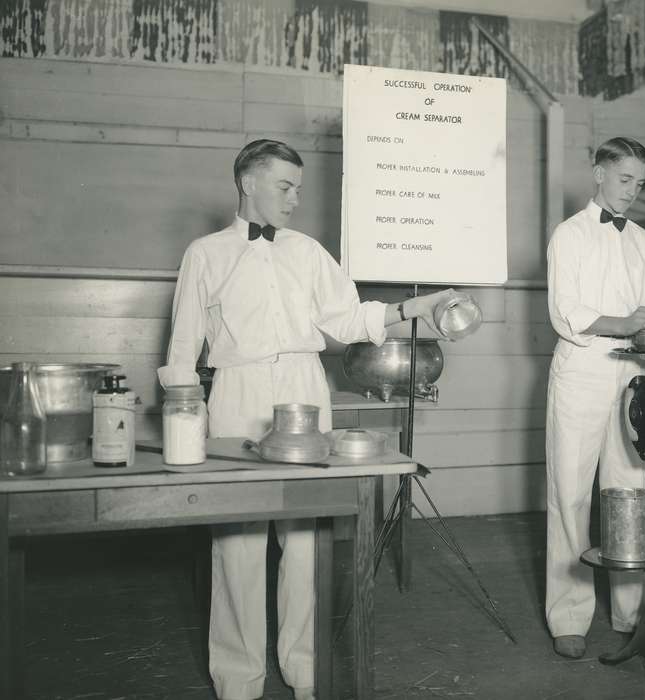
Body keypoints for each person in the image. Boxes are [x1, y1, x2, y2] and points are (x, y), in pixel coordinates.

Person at [157, 139, 452, 700]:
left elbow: (350, 317)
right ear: (248, 184)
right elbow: (181, 348)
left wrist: (417, 306)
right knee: (238, 544)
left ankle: (305, 668)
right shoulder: (205, 253)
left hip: (302, 388)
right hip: (236, 396)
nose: (295, 199)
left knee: (306, 541)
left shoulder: (310, 251)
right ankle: (239, 679)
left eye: (298, 188)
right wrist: (184, 422)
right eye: (284, 187)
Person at [545, 136, 645, 660]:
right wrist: (626, 322)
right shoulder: (569, 235)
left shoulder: (642, 239)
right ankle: (568, 617)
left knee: (629, 495)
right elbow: (566, 312)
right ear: (599, 173)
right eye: (626, 180)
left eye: (640, 184)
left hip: (632, 375)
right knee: (570, 494)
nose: (633, 193)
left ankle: (630, 613)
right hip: (580, 371)